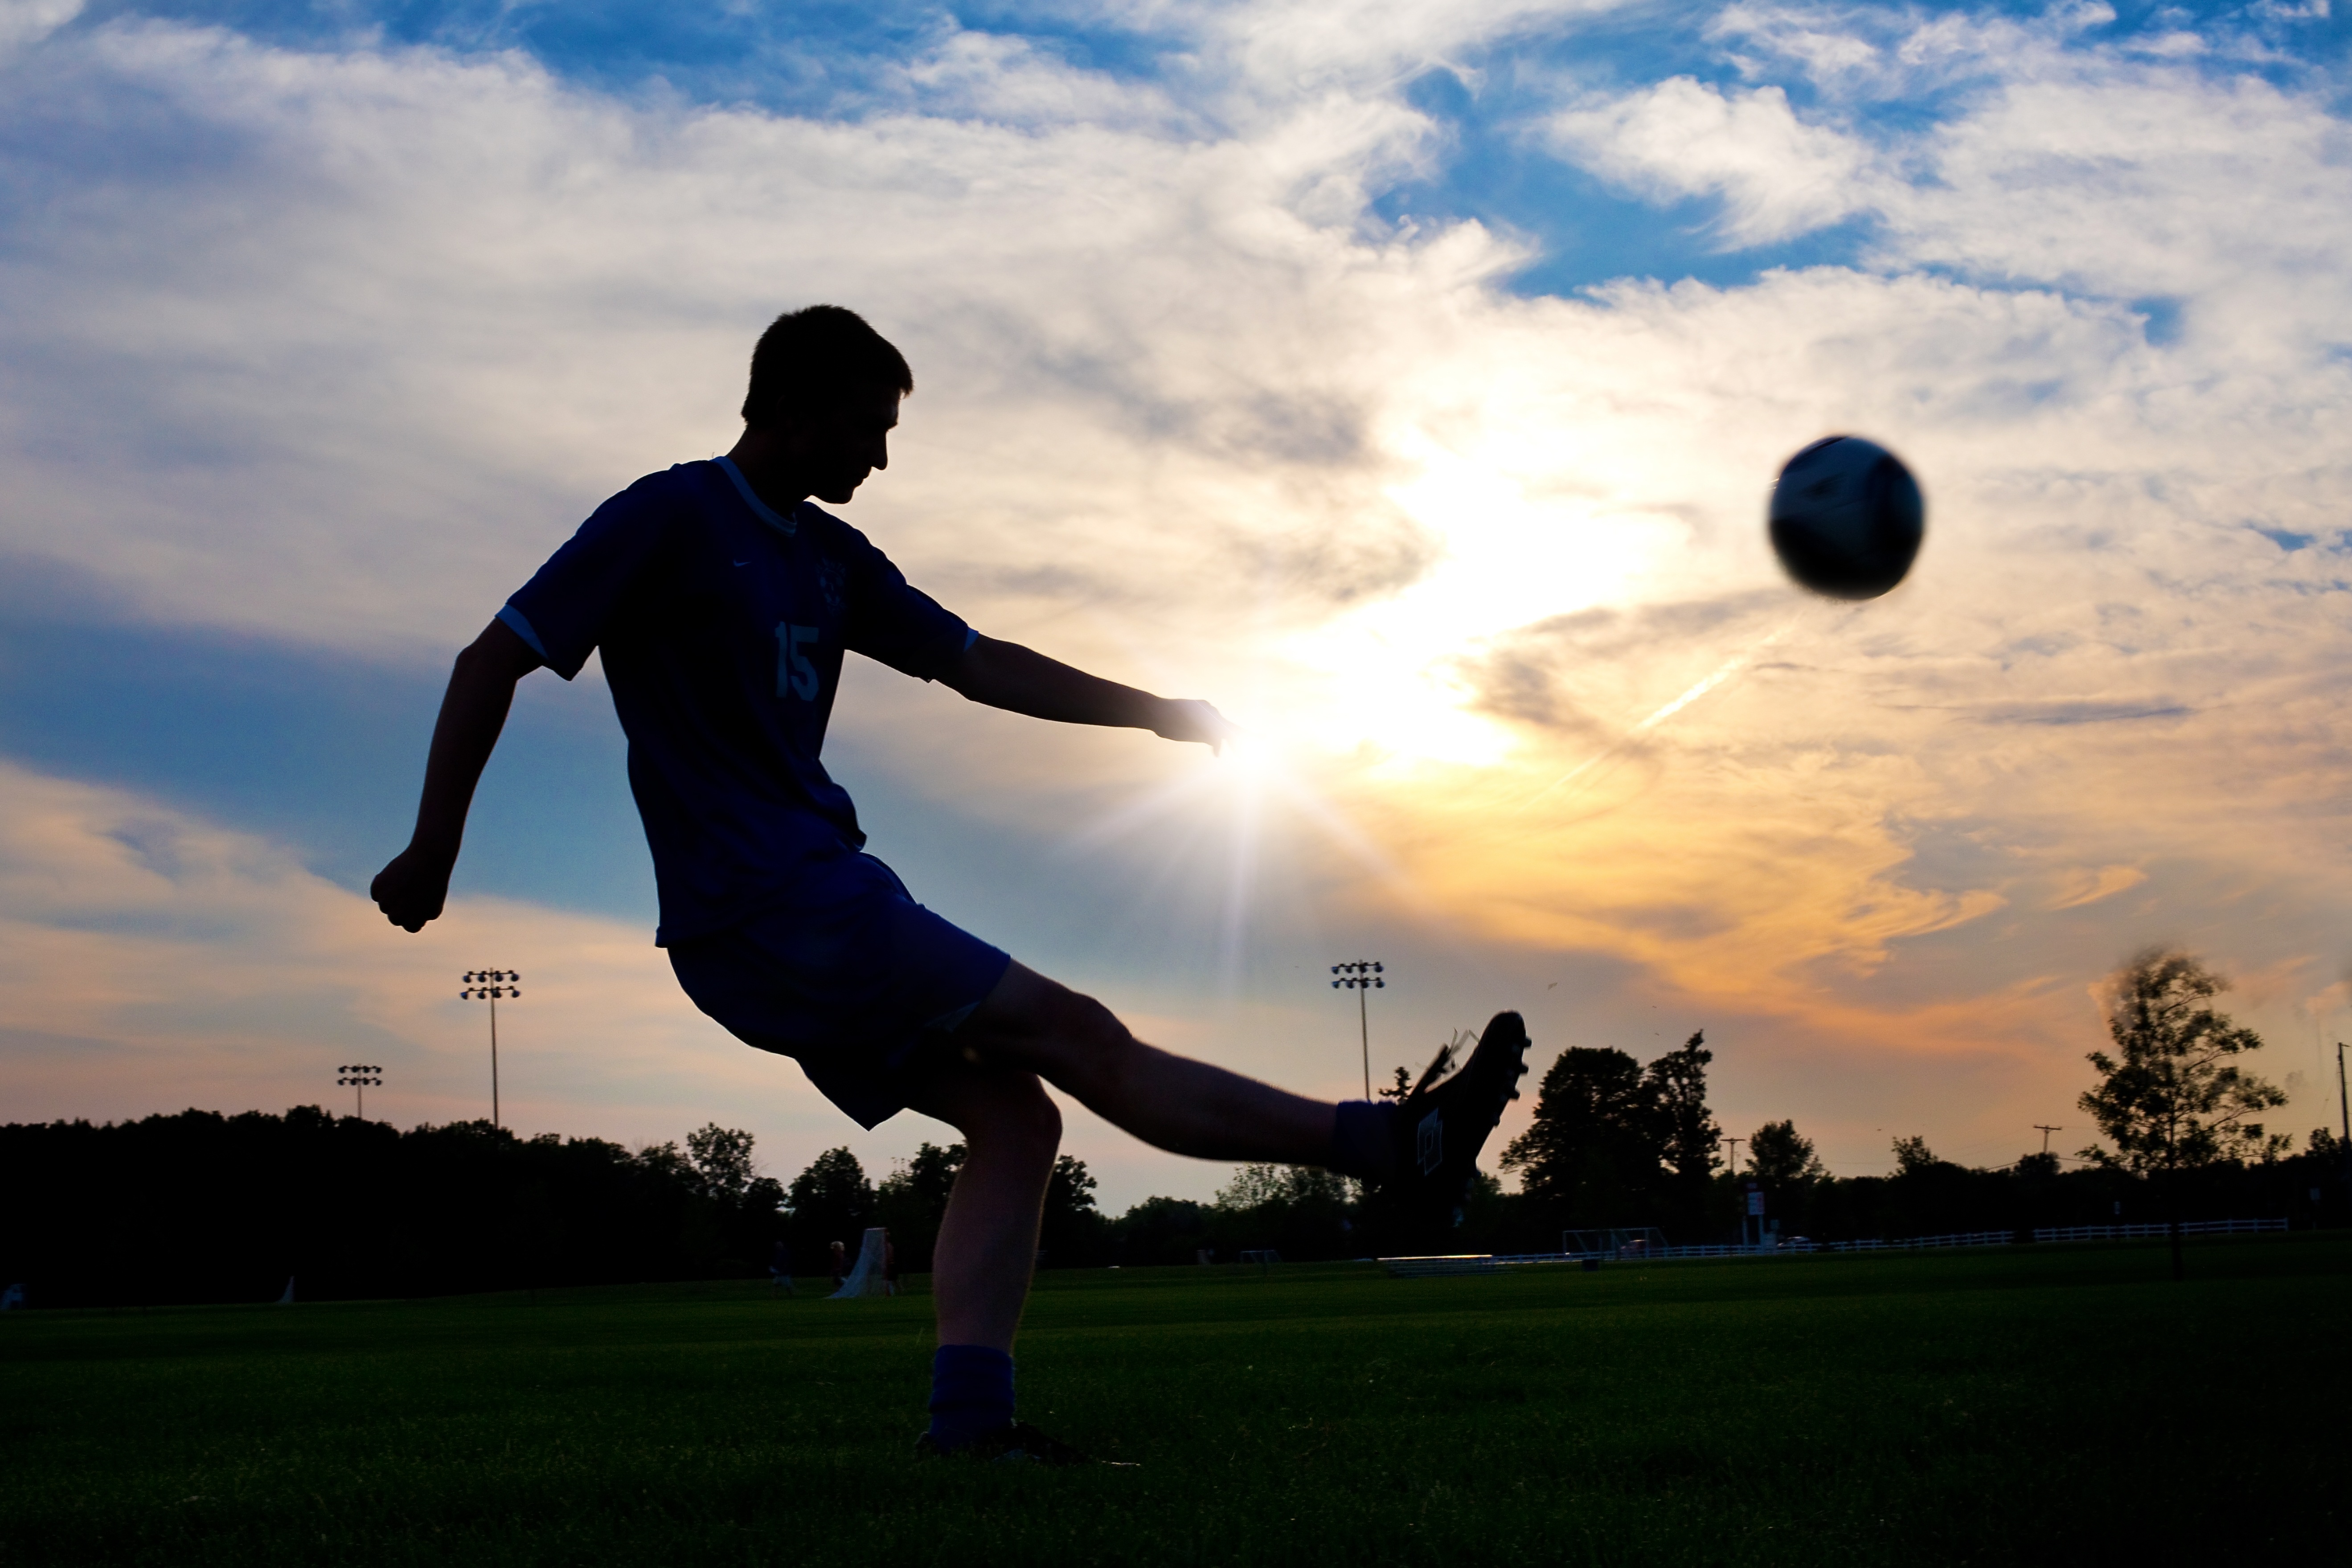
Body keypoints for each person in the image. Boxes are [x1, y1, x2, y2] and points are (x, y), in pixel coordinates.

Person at [370, 305, 1529, 1465]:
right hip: (779, 904)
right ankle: (1392, 1148)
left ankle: (970, 1428)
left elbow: (974, 663)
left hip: (782, 918)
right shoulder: (669, 517)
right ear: (793, 407)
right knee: (1075, 1031)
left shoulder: (831, 560)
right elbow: (495, 656)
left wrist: (1153, 711)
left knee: (1016, 1116)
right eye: (868, 430)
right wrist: (436, 849)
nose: (881, 458)